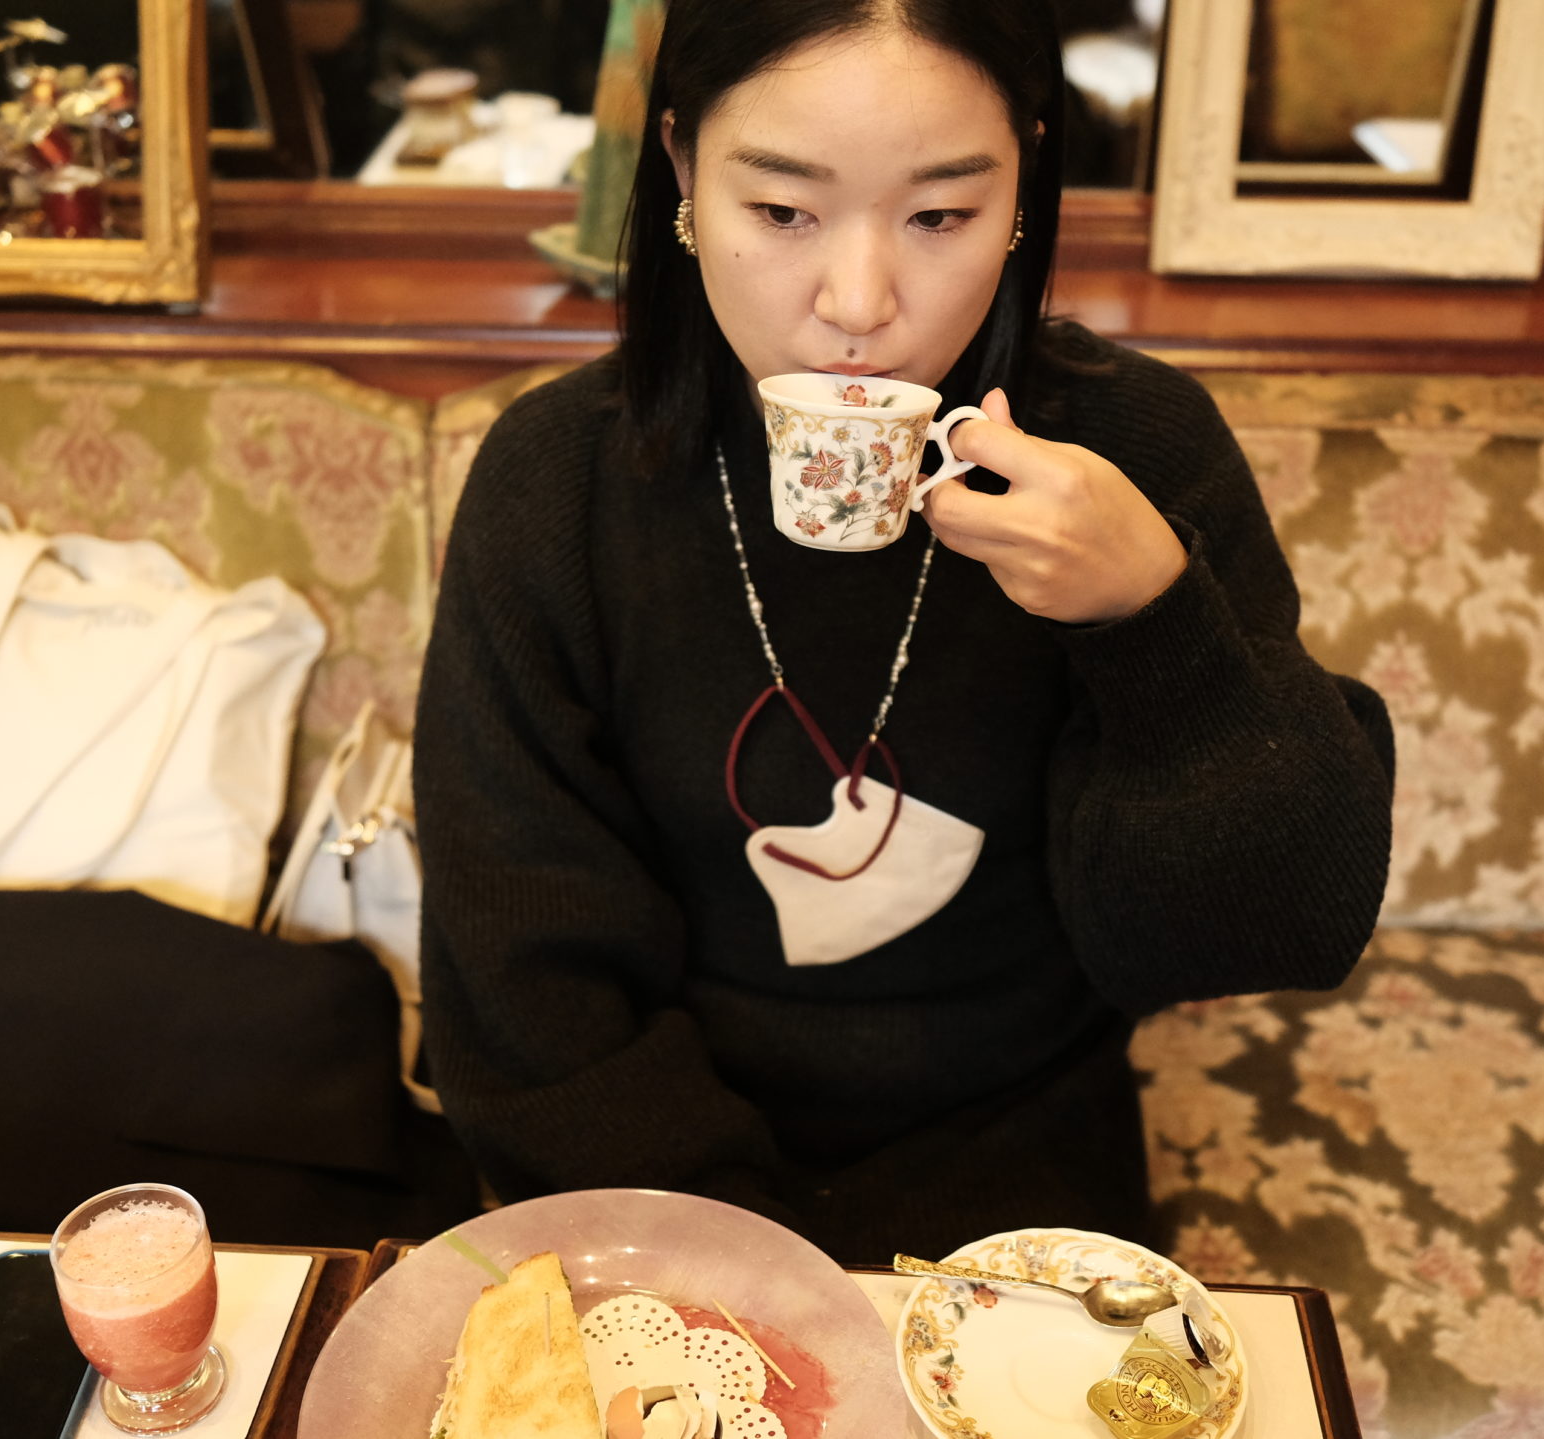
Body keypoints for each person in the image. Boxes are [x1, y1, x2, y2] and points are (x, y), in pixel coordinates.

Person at [412, 0, 1396, 1266]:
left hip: (1024, 1174)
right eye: (782, 210)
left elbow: (1265, 931)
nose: (859, 303)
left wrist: (1152, 618)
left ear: (1023, 187)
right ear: (681, 170)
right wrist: (752, 1268)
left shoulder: (1133, 457)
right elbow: (523, 990)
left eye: (940, 215)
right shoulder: (555, 482)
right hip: (654, 1194)